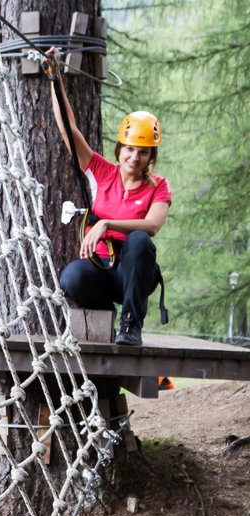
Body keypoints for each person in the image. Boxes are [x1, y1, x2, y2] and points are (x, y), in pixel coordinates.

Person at [46, 47, 172, 346]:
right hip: (101, 271)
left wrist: (105, 224)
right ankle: (106, 314)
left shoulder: (159, 186)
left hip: (135, 275)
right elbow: (69, 129)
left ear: (150, 156)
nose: (134, 157)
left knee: (141, 241)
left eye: (143, 152)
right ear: (120, 149)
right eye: (129, 149)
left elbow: (152, 225)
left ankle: (131, 326)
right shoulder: (102, 172)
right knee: (71, 279)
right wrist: (56, 81)